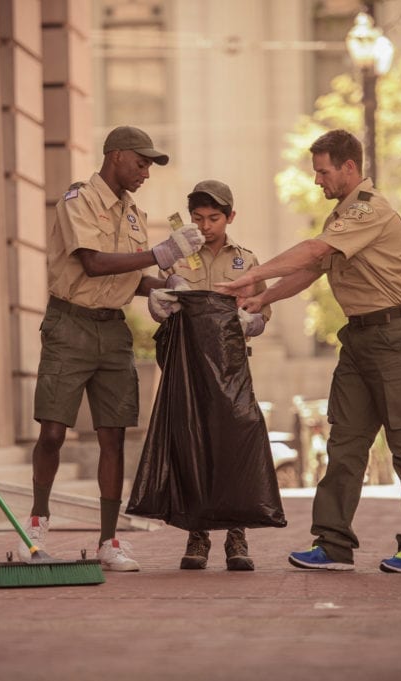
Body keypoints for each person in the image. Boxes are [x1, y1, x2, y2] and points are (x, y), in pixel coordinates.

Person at [216, 129, 401, 574]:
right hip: (358, 338)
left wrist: (249, 276)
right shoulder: (341, 218)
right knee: (345, 444)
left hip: (393, 336)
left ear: (349, 168)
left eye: (323, 171)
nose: (317, 180)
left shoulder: (368, 210)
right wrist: (263, 298)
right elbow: (316, 267)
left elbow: (313, 251)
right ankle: (333, 544)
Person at [24, 126, 205, 572]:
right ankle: (37, 521)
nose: (146, 172)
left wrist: (163, 287)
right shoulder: (78, 200)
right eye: (141, 163)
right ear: (116, 156)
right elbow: (93, 263)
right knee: (52, 432)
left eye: (149, 165)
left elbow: (125, 276)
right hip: (70, 324)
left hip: (113, 329)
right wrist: (159, 255)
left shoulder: (134, 214)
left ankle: (109, 540)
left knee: (114, 436)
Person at [146, 179, 271, 571]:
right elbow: (162, 301)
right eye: (197, 218)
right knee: (190, 444)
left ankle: (237, 537)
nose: (205, 226)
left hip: (231, 366)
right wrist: (159, 305)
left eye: (213, 218)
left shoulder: (247, 260)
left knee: (236, 442)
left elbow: (264, 312)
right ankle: (196, 535)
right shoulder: (177, 258)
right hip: (188, 366)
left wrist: (251, 321)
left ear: (230, 217)